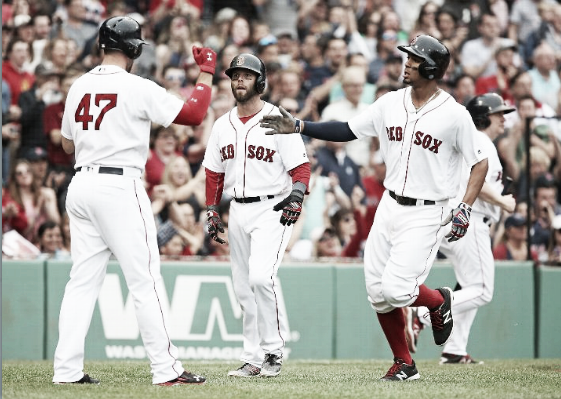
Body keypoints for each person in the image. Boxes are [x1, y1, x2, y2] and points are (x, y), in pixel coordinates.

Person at [261, 34, 488, 381]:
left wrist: (465, 207)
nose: (406, 64)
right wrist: (299, 125)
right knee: (378, 294)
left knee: (398, 289)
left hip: (428, 210)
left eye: (414, 59)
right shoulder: (390, 103)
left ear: (430, 68)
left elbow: (480, 162)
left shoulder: (455, 115)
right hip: (389, 203)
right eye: (407, 58)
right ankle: (404, 364)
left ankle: (438, 301)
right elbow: (348, 130)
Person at [52, 16, 217, 386]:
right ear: (132, 50)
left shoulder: (78, 85)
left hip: (81, 185)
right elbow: (193, 114)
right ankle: (167, 369)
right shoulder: (135, 86)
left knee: (81, 282)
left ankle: (66, 371)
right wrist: (205, 72)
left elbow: (66, 144)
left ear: (101, 45)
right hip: (118, 186)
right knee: (145, 281)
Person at [202, 53, 310, 378]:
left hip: (272, 207)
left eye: (246, 76)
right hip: (238, 208)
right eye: (235, 76)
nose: (239, 81)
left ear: (260, 81)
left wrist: (297, 196)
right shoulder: (223, 125)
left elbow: (301, 168)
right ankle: (251, 357)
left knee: (262, 277)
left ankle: (273, 352)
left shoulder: (278, 119)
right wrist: (211, 208)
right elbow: (213, 172)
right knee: (242, 288)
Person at [407, 93, 517, 363]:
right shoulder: (480, 141)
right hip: (471, 219)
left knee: (470, 286)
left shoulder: (474, 140)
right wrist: (503, 201)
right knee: (481, 290)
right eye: (498, 113)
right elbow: (474, 179)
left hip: (457, 219)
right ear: (483, 116)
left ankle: (455, 349)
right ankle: (422, 315)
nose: (503, 118)